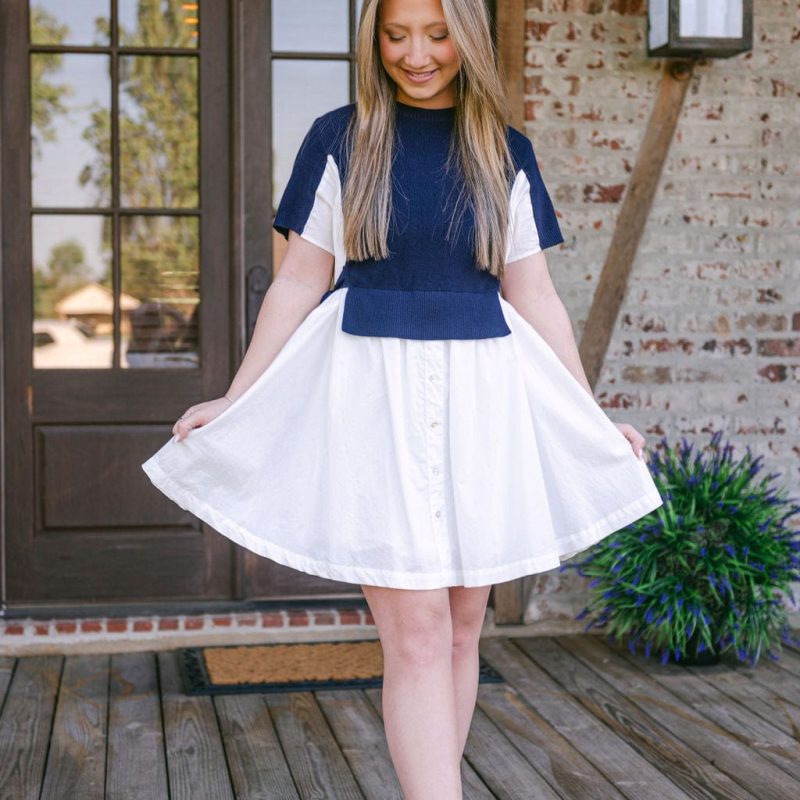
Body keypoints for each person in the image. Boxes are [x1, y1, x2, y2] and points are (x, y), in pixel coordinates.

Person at [142, 0, 663, 796]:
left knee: (459, 633)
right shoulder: (341, 138)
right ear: (373, 40)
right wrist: (237, 398)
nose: (415, 54)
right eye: (395, 35)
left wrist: (591, 418)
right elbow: (298, 280)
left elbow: (536, 296)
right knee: (417, 634)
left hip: (482, 400)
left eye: (436, 34)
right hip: (372, 396)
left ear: (468, 38)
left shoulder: (504, 153)